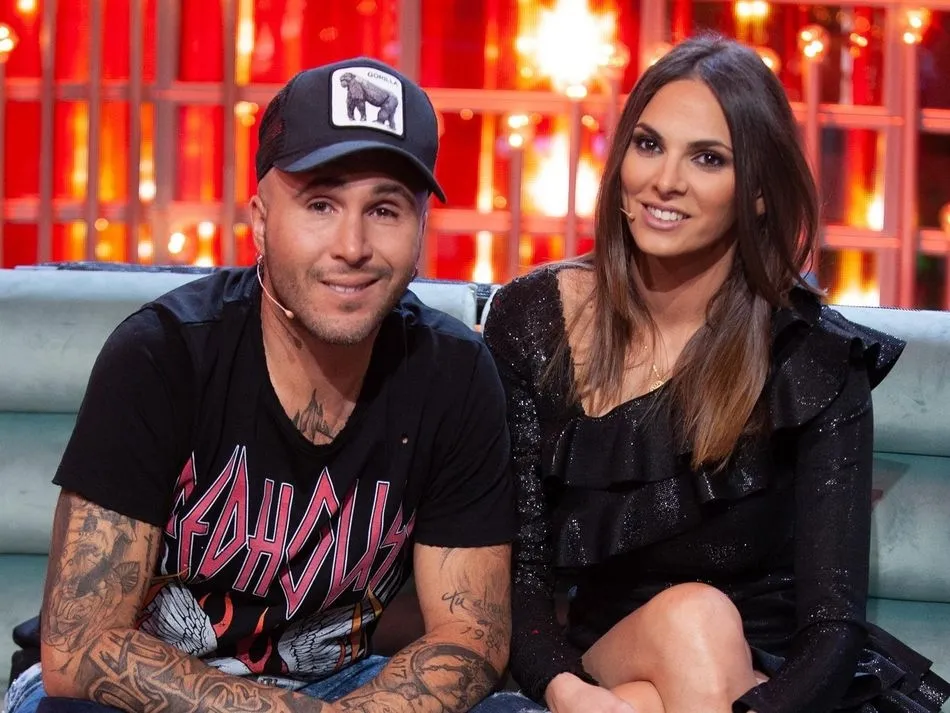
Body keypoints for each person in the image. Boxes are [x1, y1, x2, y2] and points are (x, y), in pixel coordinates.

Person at [5, 57, 521, 713]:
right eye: (321, 204)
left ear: (420, 227)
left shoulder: (453, 374)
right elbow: (82, 647)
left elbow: (468, 638)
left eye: (385, 209)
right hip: (143, 688)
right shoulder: (164, 355)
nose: (353, 245)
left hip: (340, 688)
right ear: (260, 219)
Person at [483, 34, 950, 713]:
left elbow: (831, 628)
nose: (664, 180)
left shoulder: (810, 355)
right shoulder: (534, 320)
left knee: (680, 654)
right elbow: (520, 580)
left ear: (757, 192)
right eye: (648, 145)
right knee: (693, 618)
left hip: (781, 682)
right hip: (608, 653)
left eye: (708, 158)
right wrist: (569, 694)